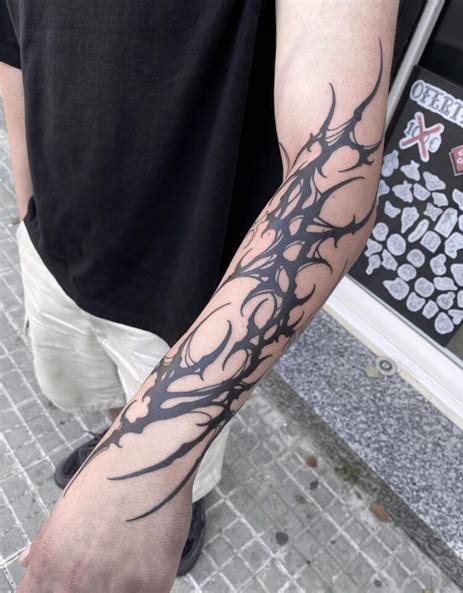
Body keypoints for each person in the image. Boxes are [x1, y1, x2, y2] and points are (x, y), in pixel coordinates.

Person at [0, 1, 398, 591]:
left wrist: (142, 473)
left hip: (189, 300)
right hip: (55, 248)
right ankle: (112, 435)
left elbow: (336, 164)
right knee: (93, 388)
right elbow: (14, 44)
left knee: (181, 450)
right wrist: (26, 205)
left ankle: (180, 497)